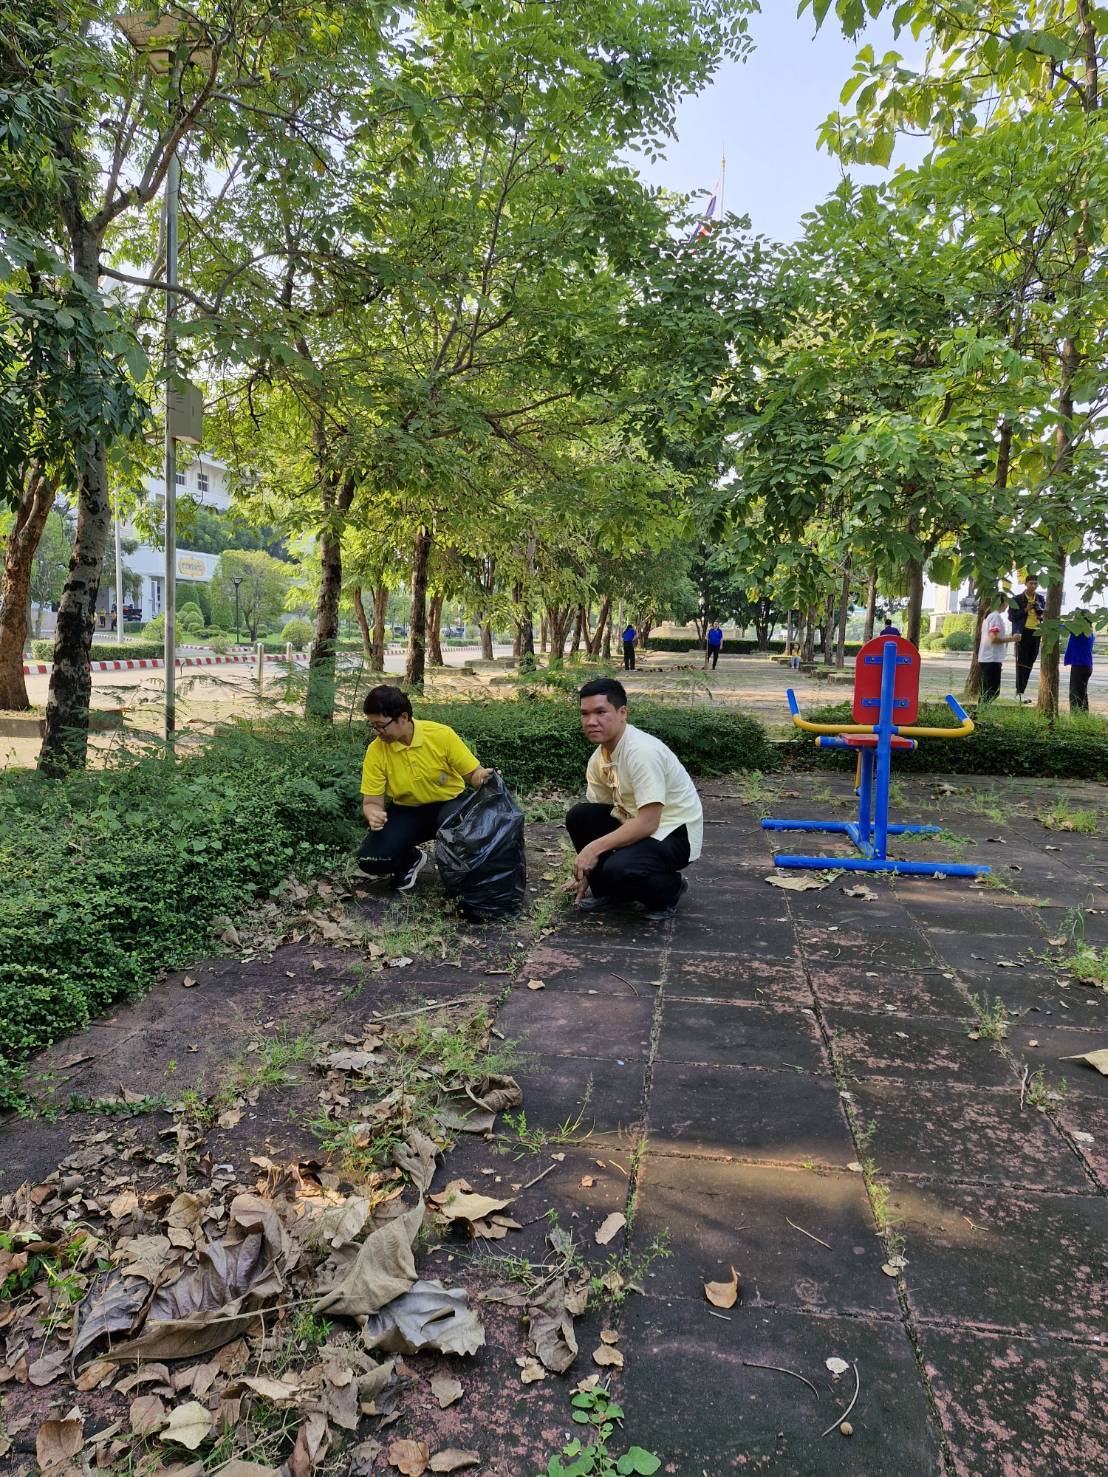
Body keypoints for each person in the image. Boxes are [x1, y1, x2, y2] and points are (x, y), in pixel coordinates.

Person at [566, 677, 703, 921]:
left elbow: (649, 822)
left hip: (673, 832)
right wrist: (587, 871)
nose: (591, 721)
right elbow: (603, 813)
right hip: (635, 822)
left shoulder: (642, 752)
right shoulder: (599, 758)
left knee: (620, 867)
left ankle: (671, 888)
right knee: (580, 816)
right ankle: (609, 891)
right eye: (584, 714)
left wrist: (593, 850)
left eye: (600, 712)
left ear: (622, 713)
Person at [358, 685, 493, 890]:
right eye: (372, 726)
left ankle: (463, 877)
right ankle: (410, 860)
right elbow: (371, 802)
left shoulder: (440, 735)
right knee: (370, 858)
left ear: (403, 717)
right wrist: (373, 813)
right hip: (407, 811)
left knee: (464, 833)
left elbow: (473, 775)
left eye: (380, 726)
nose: (376, 732)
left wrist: (483, 776)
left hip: (449, 805)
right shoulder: (376, 751)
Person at [1008, 575, 1046, 700]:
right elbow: (1011, 617)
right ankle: (1018, 692)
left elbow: (1044, 616)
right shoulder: (1017, 599)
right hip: (1022, 633)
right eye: (1031, 583)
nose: (1033, 586)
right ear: (1026, 584)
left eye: (1035, 583)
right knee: (1022, 662)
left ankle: (1021, 692)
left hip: (1036, 633)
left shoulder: (1040, 598)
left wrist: (1040, 616)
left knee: (1030, 662)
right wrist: (1025, 609)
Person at [977, 597, 1019, 701]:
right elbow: (993, 639)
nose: (1007, 605)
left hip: (989, 658)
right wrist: (1013, 639)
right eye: (1006, 602)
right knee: (992, 692)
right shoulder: (995, 617)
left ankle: (979, 713)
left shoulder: (991, 616)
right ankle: (978, 713)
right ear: (1002, 603)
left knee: (987, 691)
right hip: (991, 658)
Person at [1064, 615, 1095, 713]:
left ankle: (1075, 717)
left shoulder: (1079, 631)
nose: (1073, 620)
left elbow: (1060, 627)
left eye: (1075, 618)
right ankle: (1084, 715)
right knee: (1082, 693)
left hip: (1079, 666)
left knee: (1074, 693)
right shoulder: (1090, 633)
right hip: (1087, 666)